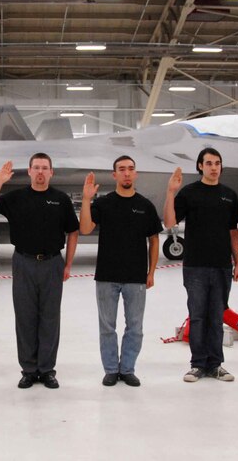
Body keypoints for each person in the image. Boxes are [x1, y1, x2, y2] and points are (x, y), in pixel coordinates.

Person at [0, 154, 79, 389]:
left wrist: (68, 264)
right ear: (30, 171)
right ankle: (28, 369)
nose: (41, 172)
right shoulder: (16, 198)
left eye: (45, 168)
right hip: (23, 263)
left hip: (52, 263)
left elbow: (73, 232)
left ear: (51, 172)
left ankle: (46, 370)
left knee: (50, 318)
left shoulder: (60, 199)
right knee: (25, 318)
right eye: (36, 168)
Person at [79, 156, 162, 387]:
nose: (127, 173)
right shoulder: (103, 203)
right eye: (122, 169)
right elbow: (85, 228)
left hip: (136, 278)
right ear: (114, 175)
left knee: (135, 327)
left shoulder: (145, 206)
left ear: (135, 174)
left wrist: (151, 272)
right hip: (106, 276)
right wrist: (86, 200)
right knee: (107, 327)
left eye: (131, 169)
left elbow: (154, 240)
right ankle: (110, 370)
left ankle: (127, 369)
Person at [163, 147, 238, 383]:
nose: (214, 167)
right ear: (200, 166)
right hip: (195, 266)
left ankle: (216, 365)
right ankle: (197, 365)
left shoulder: (229, 195)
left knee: (216, 317)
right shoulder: (189, 193)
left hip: (221, 267)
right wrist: (170, 192)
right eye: (208, 163)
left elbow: (233, 232)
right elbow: (169, 221)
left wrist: (237, 262)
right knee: (197, 317)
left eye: (217, 163)